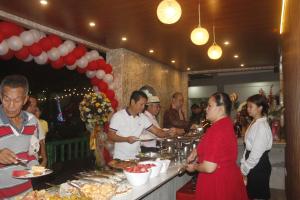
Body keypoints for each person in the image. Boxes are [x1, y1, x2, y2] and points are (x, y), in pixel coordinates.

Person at [186, 92, 248, 200]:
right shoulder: (226, 123)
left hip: (216, 183)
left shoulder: (216, 129)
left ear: (221, 108)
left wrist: (194, 167)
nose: (206, 109)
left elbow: (209, 167)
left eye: (210, 106)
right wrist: (196, 151)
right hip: (229, 178)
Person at [0, 75, 40, 199]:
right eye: (6, 99)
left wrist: (35, 166)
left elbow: (32, 153)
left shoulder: (32, 121)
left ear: (25, 100)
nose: (11, 106)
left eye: (17, 100)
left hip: (26, 192)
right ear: (1, 97)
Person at [108, 91, 175, 160]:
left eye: (144, 105)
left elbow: (157, 132)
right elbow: (110, 136)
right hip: (121, 158)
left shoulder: (143, 117)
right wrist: (126, 139)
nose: (143, 107)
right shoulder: (118, 116)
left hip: (136, 158)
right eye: (141, 104)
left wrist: (168, 133)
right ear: (133, 102)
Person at [240, 94, 273, 199]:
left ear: (260, 108)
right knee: (252, 194)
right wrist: (243, 163)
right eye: (247, 106)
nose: (248, 109)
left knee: (258, 195)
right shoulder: (255, 122)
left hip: (258, 165)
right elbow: (248, 147)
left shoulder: (261, 126)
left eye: (251, 106)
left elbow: (256, 153)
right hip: (253, 164)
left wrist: (245, 169)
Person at [24, 97, 48, 167]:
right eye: (30, 105)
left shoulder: (35, 120)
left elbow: (41, 141)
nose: (33, 109)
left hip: (33, 161)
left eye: (34, 106)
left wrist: (44, 159)